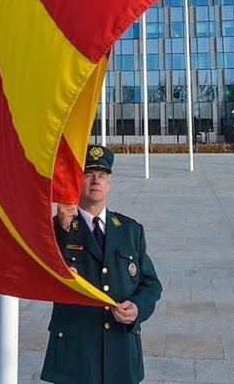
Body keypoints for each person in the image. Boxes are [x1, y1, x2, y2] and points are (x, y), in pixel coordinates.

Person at [41, 144, 162, 384]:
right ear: (78, 182)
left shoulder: (130, 230)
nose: (96, 180)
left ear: (109, 184)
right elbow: (44, 270)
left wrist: (137, 308)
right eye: (89, 175)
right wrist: (59, 229)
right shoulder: (59, 228)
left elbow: (151, 283)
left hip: (120, 350)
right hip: (77, 353)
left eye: (102, 176)